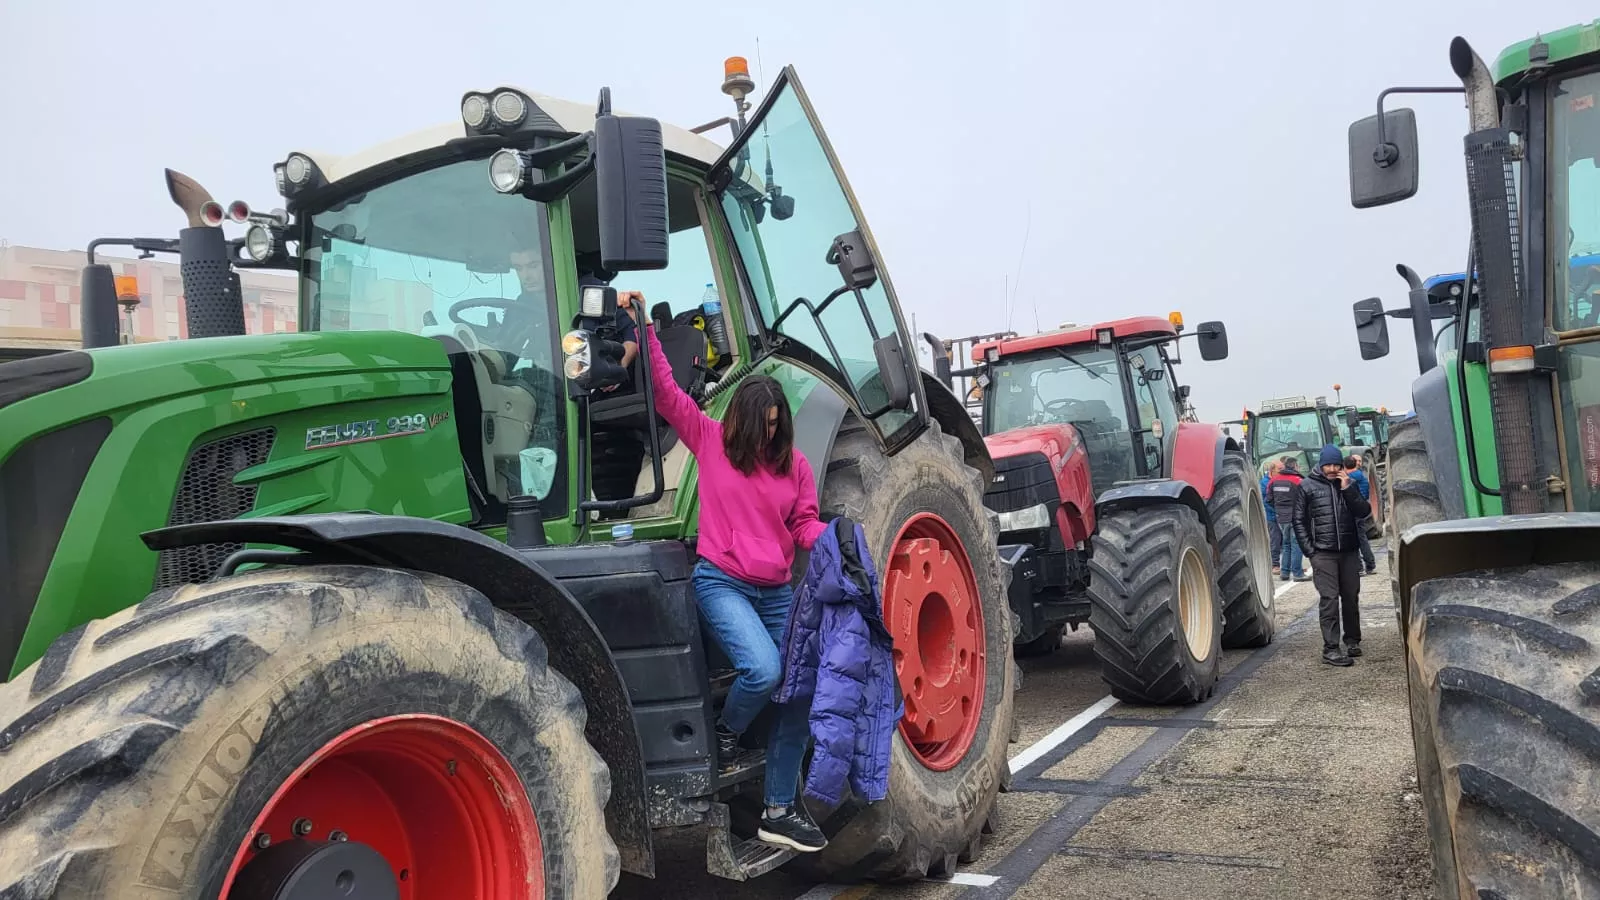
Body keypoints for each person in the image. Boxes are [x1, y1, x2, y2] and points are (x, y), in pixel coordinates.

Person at [618, 289, 830, 853]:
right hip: (723, 582)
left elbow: (803, 523)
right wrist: (643, 329)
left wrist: (834, 539)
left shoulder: (795, 465)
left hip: (777, 591)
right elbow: (665, 392)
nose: (768, 436)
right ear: (738, 422)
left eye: (776, 426)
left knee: (797, 687)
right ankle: (730, 736)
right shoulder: (710, 441)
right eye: (761, 425)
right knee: (763, 670)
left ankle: (780, 808)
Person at [1293, 444, 1373, 667]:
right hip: (1323, 553)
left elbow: (1363, 512)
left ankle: (1352, 640)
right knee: (1329, 599)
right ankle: (1331, 648)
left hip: (1349, 551)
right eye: (1328, 464)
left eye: (1336, 464)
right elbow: (1298, 520)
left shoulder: (1349, 484)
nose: (1332, 468)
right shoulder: (1307, 486)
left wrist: (1347, 488)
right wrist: (1310, 551)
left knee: (1350, 597)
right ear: (1321, 464)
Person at [1268, 458, 1308, 582]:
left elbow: (1269, 499)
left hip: (1281, 517)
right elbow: (1306, 499)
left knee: (1286, 544)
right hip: (1295, 517)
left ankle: (1284, 572)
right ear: (1295, 466)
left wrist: (1279, 509)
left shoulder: (1273, 481)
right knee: (1296, 543)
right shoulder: (1298, 481)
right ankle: (1297, 573)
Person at [1345, 455, 1378, 575]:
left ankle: (1359, 568)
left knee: (1353, 540)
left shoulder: (1349, 478)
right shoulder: (1361, 477)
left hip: (1351, 512)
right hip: (1360, 510)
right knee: (1362, 539)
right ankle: (1370, 564)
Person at [1261, 460, 1282, 574]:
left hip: (1281, 515)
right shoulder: (1265, 483)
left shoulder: (1279, 480)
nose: (1282, 472)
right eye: (1280, 470)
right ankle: (1275, 564)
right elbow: (1267, 501)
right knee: (1275, 540)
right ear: (1272, 470)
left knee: (1285, 541)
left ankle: (1290, 566)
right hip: (1272, 516)